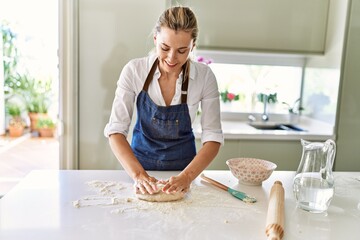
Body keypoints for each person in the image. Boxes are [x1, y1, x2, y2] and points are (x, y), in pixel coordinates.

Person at [104, 6, 223, 196]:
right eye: (165, 48)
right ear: (155, 39)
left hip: (184, 172)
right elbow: (116, 131)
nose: (172, 58)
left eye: (182, 50)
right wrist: (139, 175)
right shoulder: (134, 71)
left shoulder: (204, 77)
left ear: (192, 46)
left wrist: (186, 177)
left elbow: (213, 137)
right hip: (140, 170)